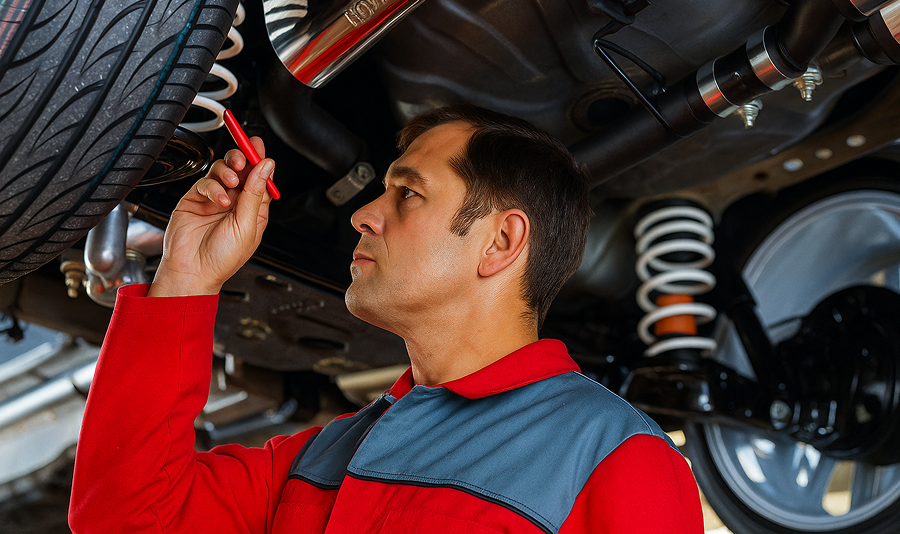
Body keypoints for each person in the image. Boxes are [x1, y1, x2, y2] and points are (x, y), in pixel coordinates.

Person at [69, 105, 703, 533]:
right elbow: (122, 516)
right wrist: (187, 276)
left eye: (408, 193)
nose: (362, 215)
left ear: (502, 243)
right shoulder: (321, 457)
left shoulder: (615, 458)